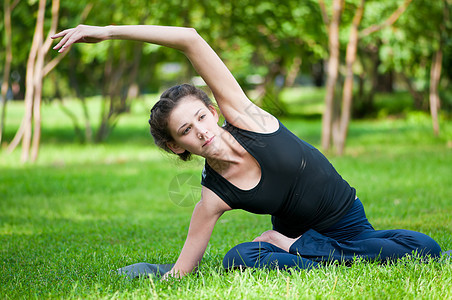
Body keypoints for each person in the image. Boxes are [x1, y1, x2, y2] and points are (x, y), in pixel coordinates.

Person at [52, 24, 443, 278]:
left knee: (426, 247)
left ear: (214, 110)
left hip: (348, 227)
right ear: (176, 146)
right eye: (186, 131)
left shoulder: (246, 118)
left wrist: (107, 32)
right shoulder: (212, 196)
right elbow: (181, 271)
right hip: (302, 240)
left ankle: (300, 251)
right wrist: (162, 274)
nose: (201, 132)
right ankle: (302, 251)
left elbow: (190, 38)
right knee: (239, 257)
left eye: (201, 118)